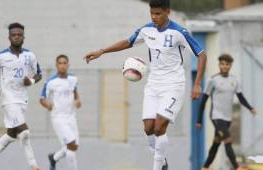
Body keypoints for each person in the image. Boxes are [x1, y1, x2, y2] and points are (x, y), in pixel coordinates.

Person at [84, 0, 207, 169]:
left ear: (167, 12)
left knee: (159, 127)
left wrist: (197, 84)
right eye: (152, 13)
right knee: (148, 128)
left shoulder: (179, 32)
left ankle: (157, 167)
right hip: (153, 85)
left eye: (158, 14)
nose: (154, 17)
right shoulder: (146, 30)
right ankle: (161, 160)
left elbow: (201, 55)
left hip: (173, 85)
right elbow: (128, 41)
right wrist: (102, 51)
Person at [0, 22, 42, 170]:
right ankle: (34, 166)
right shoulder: (0, 56)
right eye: (13, 35)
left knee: (12, 135)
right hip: (9, 101)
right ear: (9, 37)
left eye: (19, 35)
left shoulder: (30, 55)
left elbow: (39, 73)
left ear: (23, 37)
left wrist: (31, 80)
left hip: (22, 100)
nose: (16, 37)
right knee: (25, 132)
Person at [196, 54, 256, 170]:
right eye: (222, 64)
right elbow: (203, 101)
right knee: (228, 140)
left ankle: (205, 167)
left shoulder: (234, 80)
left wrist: (250, 108)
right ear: (219, 65)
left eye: (227, 64)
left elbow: (240, 97)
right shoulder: (212, 80)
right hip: (216, 117)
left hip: (228, 118)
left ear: (230, 66)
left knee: (216, 143)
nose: (224, 66)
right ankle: (237, 167)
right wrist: (199, 120)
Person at [40, 54, 81, 170]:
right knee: (71, 146)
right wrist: (47, 104)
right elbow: (42, 98)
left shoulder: (73, 79)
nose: (62, 65)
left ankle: (54, 158)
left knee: (74, 146)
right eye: (60, 63)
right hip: (58, 118)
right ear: (56, 65)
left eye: (64, 63)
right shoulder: (50, 82)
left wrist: (77, 101)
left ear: (68, 65)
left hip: (71, 117)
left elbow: (75, 93)